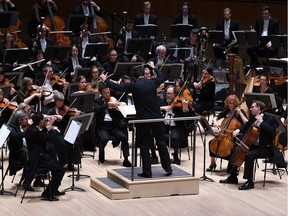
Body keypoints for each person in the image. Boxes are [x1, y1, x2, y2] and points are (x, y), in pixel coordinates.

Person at [99, 61, 172, 178]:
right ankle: (168, 168)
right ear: (144, 74)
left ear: (134, 77)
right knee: (161, 142)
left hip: (143, 120)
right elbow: (163, 76)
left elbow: (117, 86)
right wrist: (154, 68)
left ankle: (147, 172)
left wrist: (105, 80)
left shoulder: (134, 85)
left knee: (144, 144)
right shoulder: (153, 82)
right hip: (157, 118)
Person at [219, 100, 285, 190]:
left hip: (266, 147)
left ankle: (249, 182)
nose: (250, 108)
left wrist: (262, 122)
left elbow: (272, 133)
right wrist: (238, 130)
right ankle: (233, 177)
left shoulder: (268, 118)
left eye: (252, 107)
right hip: (255, 145)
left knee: (249, 155)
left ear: (258, 108)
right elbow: (246, 125)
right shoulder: (253, 117)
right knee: (235, 149)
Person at [24, 111, 65, 200]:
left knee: (59, 165)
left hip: (40, 157)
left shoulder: (32, 128)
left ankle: (53, 189)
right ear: (40, 122)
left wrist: (47, 127)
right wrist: (51, 128)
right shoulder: (34, 132)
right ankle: (47, 193)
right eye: (43, 120)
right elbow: (50, 137)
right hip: (37, 160)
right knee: (60, 170)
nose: (44, 121)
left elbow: (42, 135)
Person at [207, 94, 248, 171]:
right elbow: (216, 117)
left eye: (232, 103)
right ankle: (213, 163)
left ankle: (233, 165)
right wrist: (215, 121)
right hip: (225, 135)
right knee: (211, 143)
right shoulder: (227, 111)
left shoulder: (240, 111)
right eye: (229, 103)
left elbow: (246, 124)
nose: (230, 105)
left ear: (236, 103)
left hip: (236, 135)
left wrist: (238, 128)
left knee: (232, 148)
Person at [94, 84, 132, 167]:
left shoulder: (113, 100)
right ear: (101, 94)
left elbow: (119, 116)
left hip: (113, 126)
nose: (107, 95)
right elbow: (97, 110)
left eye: (108, 92)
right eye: (105, 93)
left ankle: (126, 159)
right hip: (102, 126)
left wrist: (118, 108)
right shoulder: (98, 101)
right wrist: (107, 105)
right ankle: (101, 152)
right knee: (104, 138)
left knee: (124, 137)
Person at [160, 85, 190, 165]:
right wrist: (163, 108)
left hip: (176, 126)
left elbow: (185, 113)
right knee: (155, 134)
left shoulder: (179, 102)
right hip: (164, 125)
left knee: (175, 137)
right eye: (167, 93)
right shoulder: (163, 101)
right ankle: (163, 155)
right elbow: (156, 108)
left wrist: (185, 107)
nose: (168, 95)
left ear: (175, 94)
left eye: (170, 93)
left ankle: (176, 155)